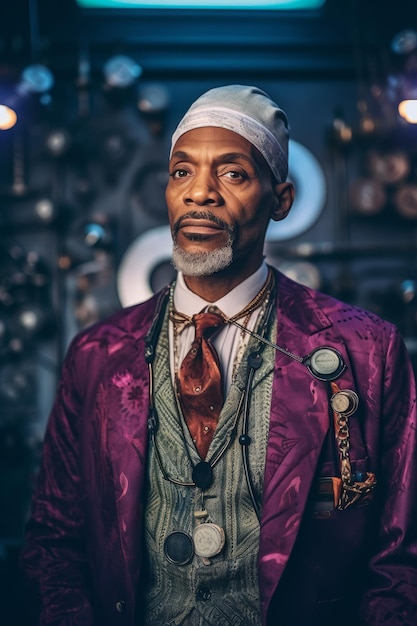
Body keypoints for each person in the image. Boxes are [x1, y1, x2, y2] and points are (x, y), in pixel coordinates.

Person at [21, 85, 417, 626]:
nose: (198, 194)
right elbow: (55, 540)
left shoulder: (367, 350)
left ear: (281, 200)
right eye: (182, 171)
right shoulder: (97, 354)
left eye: (232, 174)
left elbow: (398, 558)